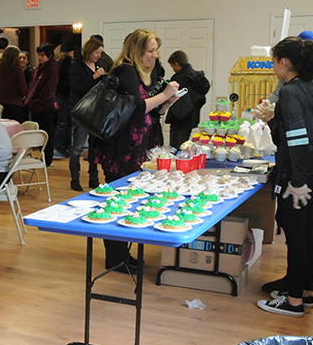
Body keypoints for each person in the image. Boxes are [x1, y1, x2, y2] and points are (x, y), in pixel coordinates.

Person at [95, 29, 180, 273]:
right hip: (122, 150)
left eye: (156, 50)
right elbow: (137, 108)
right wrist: (164, 94)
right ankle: (115, 258)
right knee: (117, 202)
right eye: (151, 51)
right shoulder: (126, 70)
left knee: (132, 202)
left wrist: (166, 103)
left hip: (138, 149)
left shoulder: (143, 73)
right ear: (137, 50)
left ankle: (124, 254)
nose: (155, 55)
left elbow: (150, 112)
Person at [256, 36, 313, 317]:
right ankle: (303, 290)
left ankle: (292, 301)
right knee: (306, 235)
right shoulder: (309, 85)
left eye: (274, 61)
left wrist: (298, 181)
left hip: (299, 176)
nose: (273, 66)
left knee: (296, 235)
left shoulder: (291, 92)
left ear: (284, 62)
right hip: (309, 172)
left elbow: (297, 139)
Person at [68, 37, 105, 192]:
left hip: (95, 111)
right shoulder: (76, 66)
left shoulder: (98, 65)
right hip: (81, 111)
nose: (98, 56)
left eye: (100, 53)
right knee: (77, 146)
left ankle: (94, 177)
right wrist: (94, 77)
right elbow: (77, 88)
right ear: (89, 51)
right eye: (97, 53)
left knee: (94, 147)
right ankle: (75, 178)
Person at [165, 50, 211, 148]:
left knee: (175, 146)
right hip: (190, 117)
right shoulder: (197, 76)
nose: (173, 69)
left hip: (179, 116)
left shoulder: (179, 77)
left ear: (176, 63)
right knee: (184, 145)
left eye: (172, 66)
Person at [24, 43, 59, 167]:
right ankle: (43, 157)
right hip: (36, 106)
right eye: (38, 55)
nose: (39, 57)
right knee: (39, 133)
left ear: (49, 55)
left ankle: (47, 160)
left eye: (42, 55)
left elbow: (49, 90)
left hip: (44, 107)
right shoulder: (40, 67)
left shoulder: (52, 68)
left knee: (46, 134)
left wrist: (38, 102)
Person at [0, 45, 27, 123]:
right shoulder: (18, 70)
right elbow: (23, 89)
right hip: (16, 105)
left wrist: (1, 94)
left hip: (2, 104)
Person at [54, 40, 75, 159]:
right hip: (63, 96)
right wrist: (71, 85)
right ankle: (59, 147)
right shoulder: (62, 64)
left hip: (64, 96)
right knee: (63, 123)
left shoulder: (62, 63)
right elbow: (58, 83)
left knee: (65, 123)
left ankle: (63, 147)